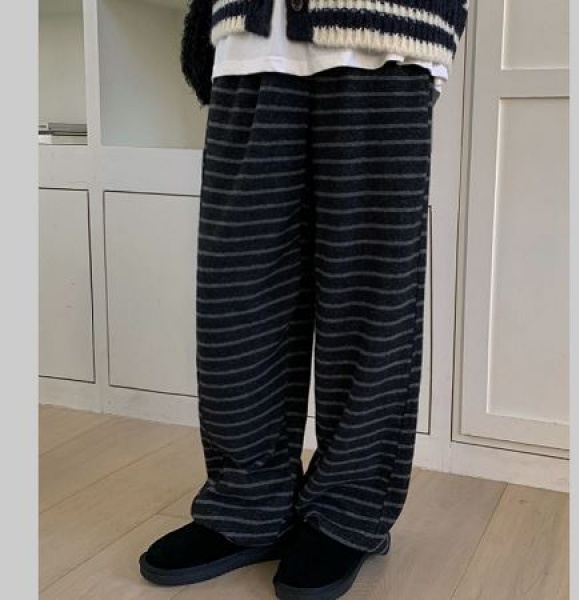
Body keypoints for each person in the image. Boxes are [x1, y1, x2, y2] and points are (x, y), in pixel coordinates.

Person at [139, 2, 469, 599]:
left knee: (367, 297)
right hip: (247, 38)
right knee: (238, 296)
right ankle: (247, 503)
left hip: (383, 32)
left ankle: (350, 508)